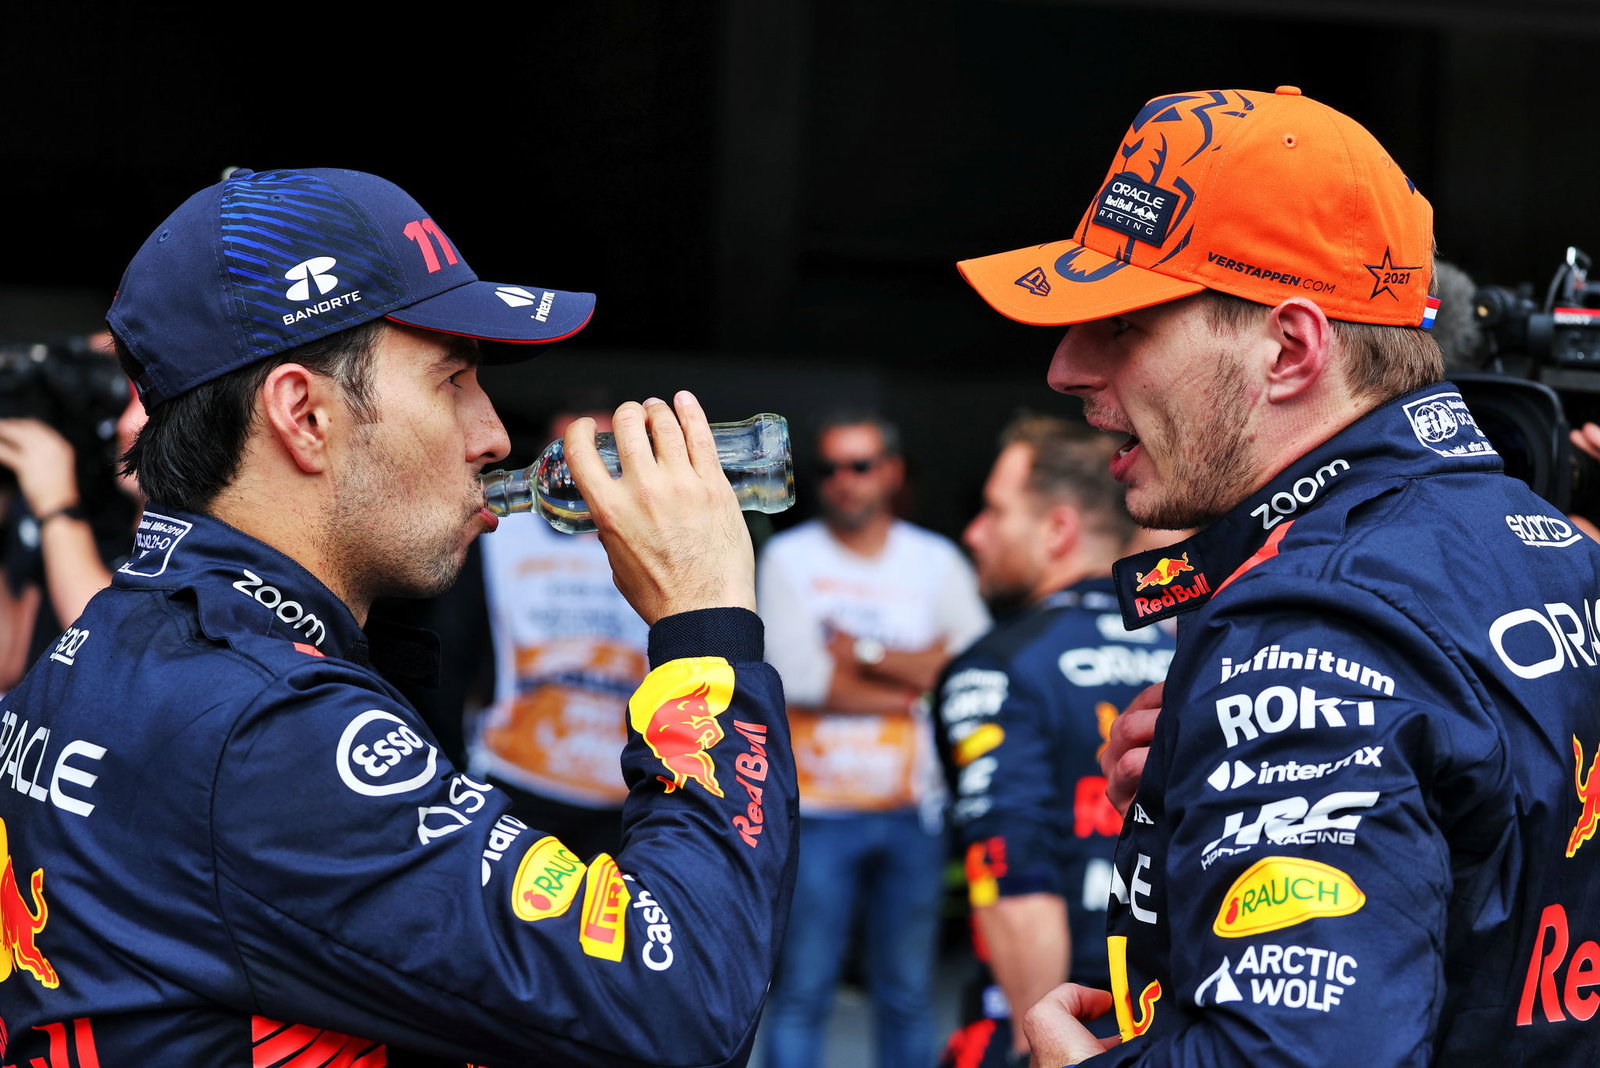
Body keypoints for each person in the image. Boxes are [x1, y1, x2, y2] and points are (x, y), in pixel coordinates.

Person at [0, 167, 796, 1066]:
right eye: (451, 379)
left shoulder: (123, 636)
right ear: (304, 415)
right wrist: (705, 626)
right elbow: (685, 1003)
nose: (494, 434)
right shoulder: (267, 730)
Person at [954, 86, 1600, 1065]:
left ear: (1291, 350)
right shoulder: (1541, 538)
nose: (1067, 367)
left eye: (1123, 324)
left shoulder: (1313, 622)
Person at [933, 413, 1176, 1068]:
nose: (974, 534)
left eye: (994, 511)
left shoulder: (997, 665)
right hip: (1177, 1010)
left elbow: (1011, 872)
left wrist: (1036, 1047)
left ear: (1058, 530)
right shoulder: (1191, 646)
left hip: (1066, 1017)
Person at [757, 410, 989, 1068]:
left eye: (859, 466)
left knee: (906, 993)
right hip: (817, 813)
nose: (843, 482)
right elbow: (797, 678)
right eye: (828, 468)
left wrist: (858, 650)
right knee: (802, 992)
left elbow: (972, 669)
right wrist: (914, 679)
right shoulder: (788, 557)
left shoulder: (934, 559)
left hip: (912, 812)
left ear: (890, 472)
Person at [467, 405, 649, 858]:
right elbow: (453, 644)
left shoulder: (658, 538)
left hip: (625, 791)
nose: (586, 470)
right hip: (516, 776)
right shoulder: (500, 531)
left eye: (604, 454)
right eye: (569, 454)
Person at [0, 336, 147, 691]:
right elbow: (8, 663)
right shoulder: (90, 511)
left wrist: (56, 503)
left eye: (144, 394)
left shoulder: (66, 514)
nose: (124, 425)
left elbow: (115, 644)